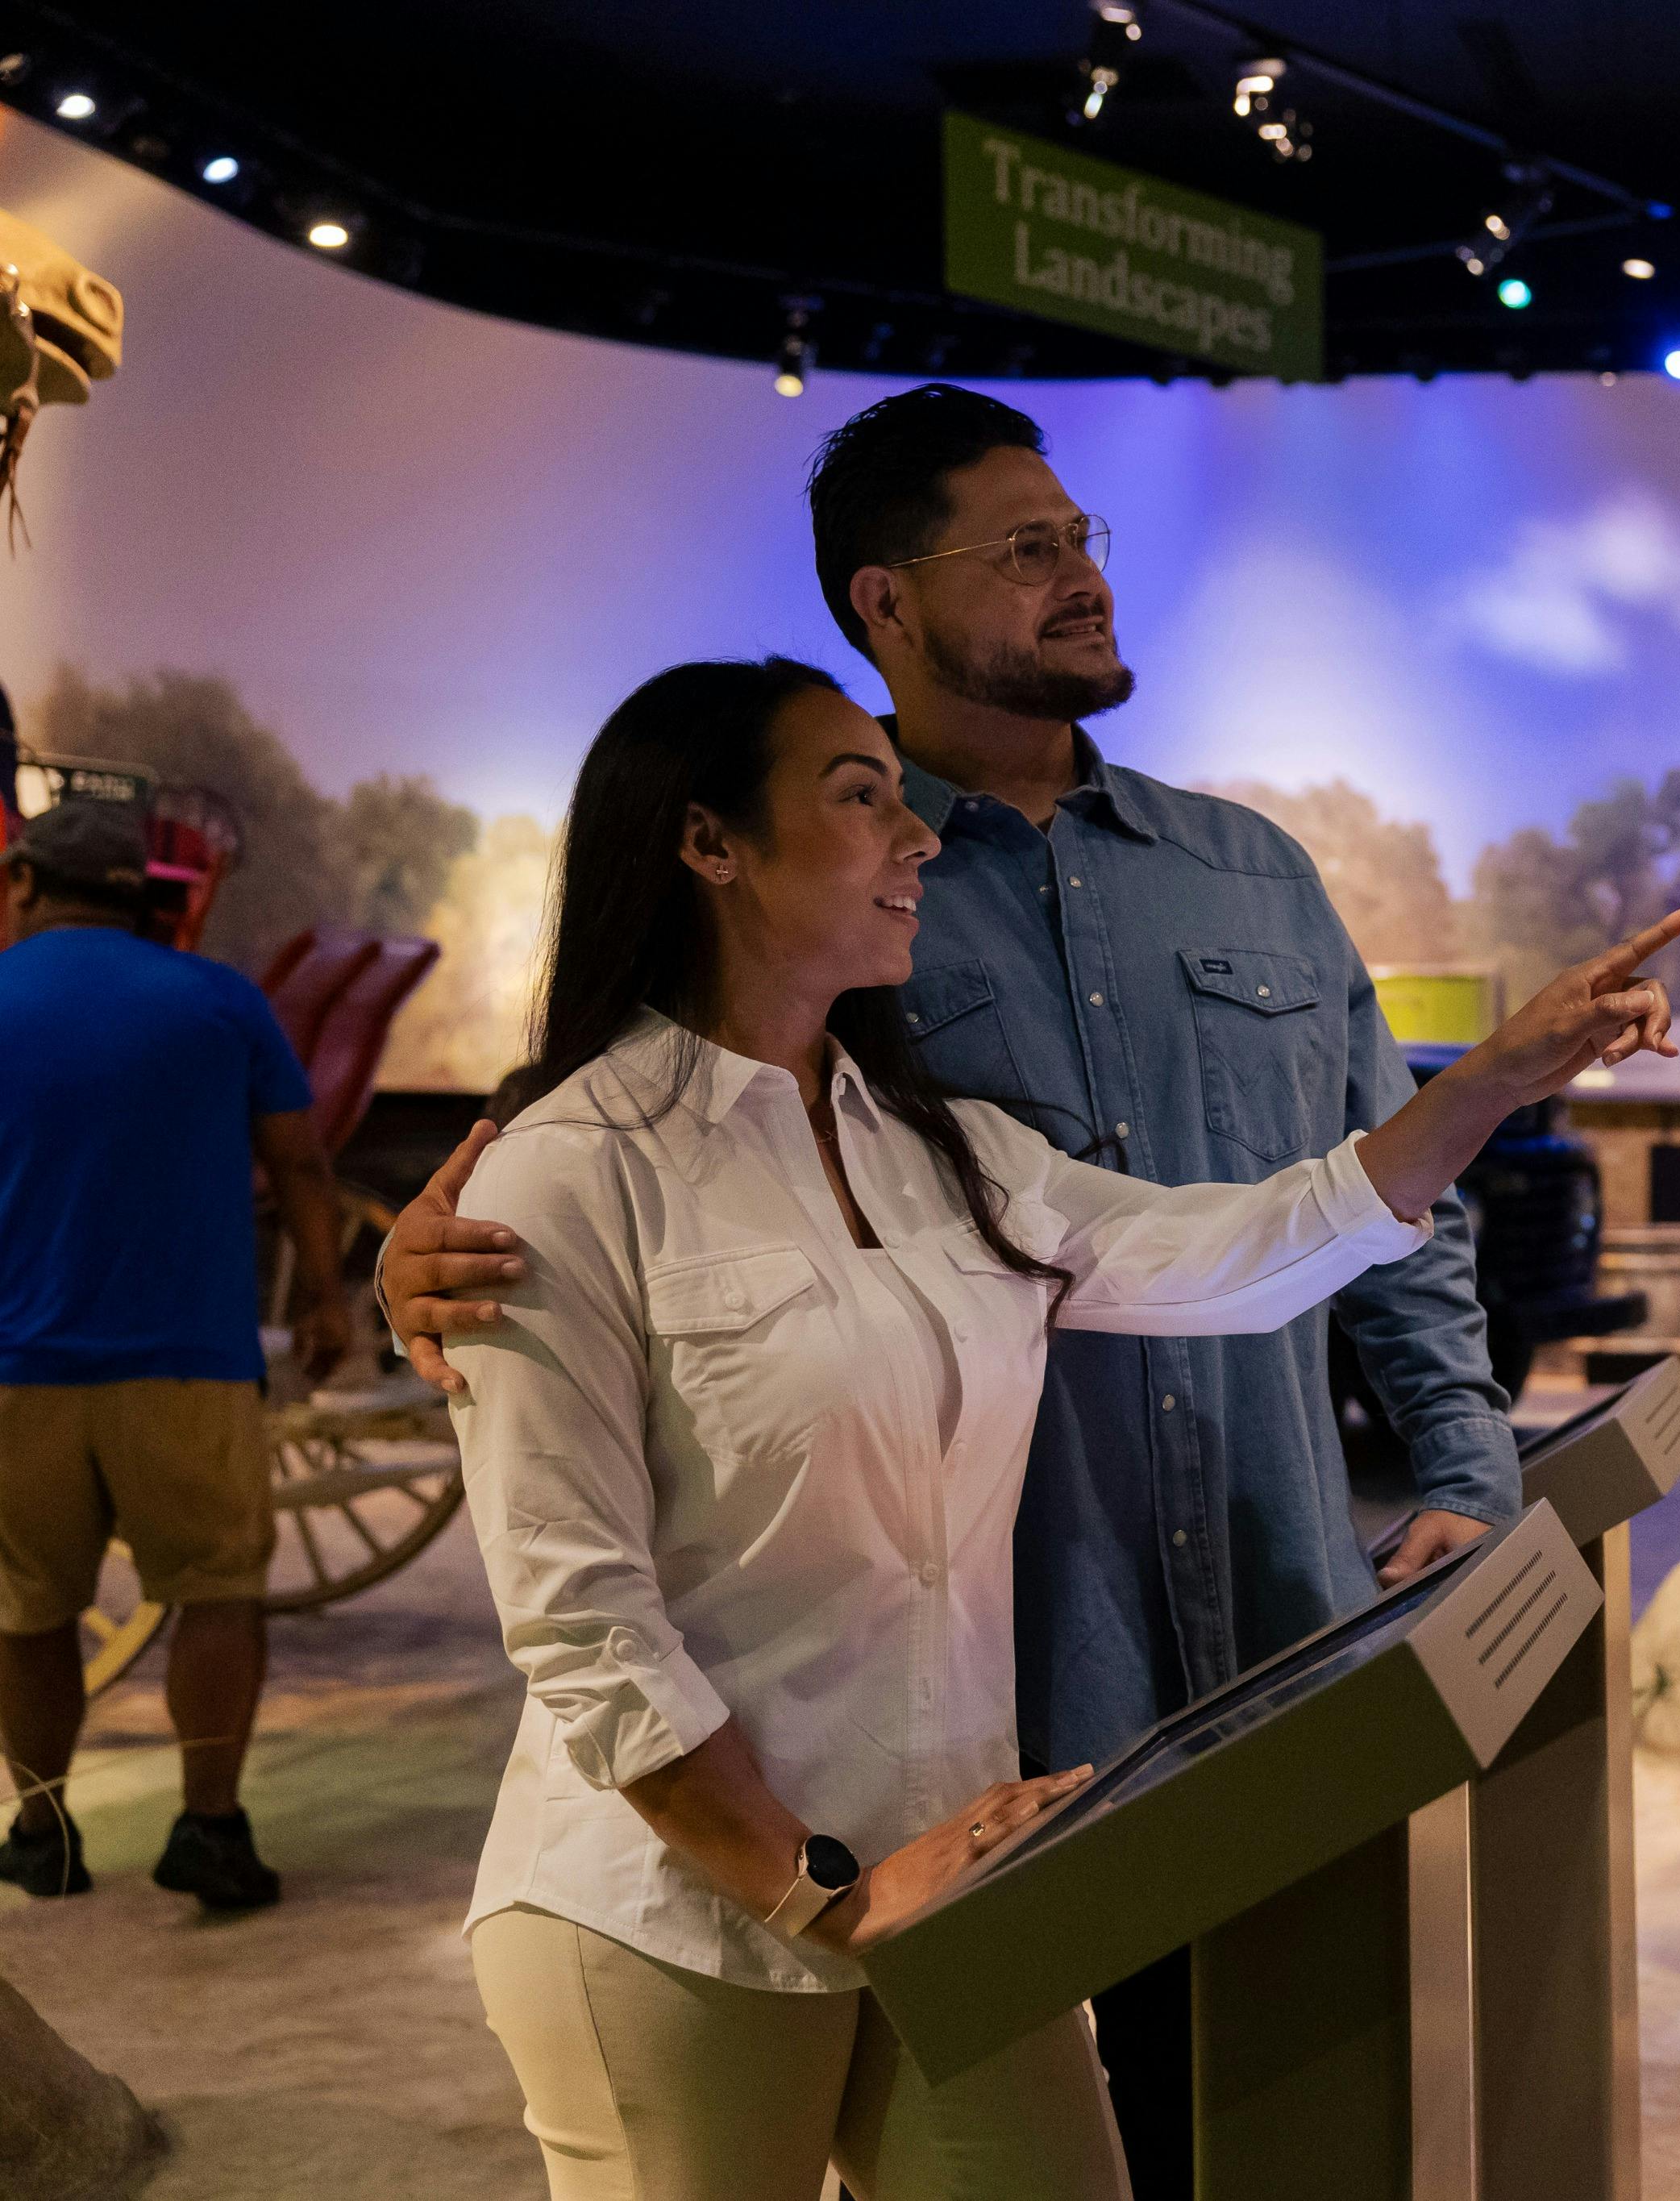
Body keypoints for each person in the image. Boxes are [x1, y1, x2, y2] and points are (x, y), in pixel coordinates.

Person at [380, 385, 1539, 2181]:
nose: (909, 838)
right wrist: (812, 1895)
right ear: (884, 606)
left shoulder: (947, 1149)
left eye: (1085, 537)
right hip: (701, 1904)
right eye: (1026, 546)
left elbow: (1226, 1245)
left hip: (1001, 1821)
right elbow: (581, 1610)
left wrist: (1478, 1099)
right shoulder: (574, 1168)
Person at [0, 797, 351, 1909]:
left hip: (17, 1365)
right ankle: (209, 1830)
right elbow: (297, 1162)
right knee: (217, 1592)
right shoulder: (218, 999)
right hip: (189, 1360)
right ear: (144, 895)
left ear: (20, 883)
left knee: (29, 1607)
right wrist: (327, 1298)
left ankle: (43, 1830)